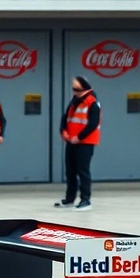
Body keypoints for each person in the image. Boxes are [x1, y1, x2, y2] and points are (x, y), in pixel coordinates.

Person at [55, 76, 101, 211]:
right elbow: (66, 118)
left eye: (76, 89)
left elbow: (93, 123)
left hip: (85, 142)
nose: (74, 92)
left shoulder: (92, 102)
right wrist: (63, 131)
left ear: (84, 89)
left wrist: (79, 137)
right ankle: (69, 199)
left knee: (83, 171)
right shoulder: (74, 101)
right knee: (70, 171)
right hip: (71, 141)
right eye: (73, 89)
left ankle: (86, 200)